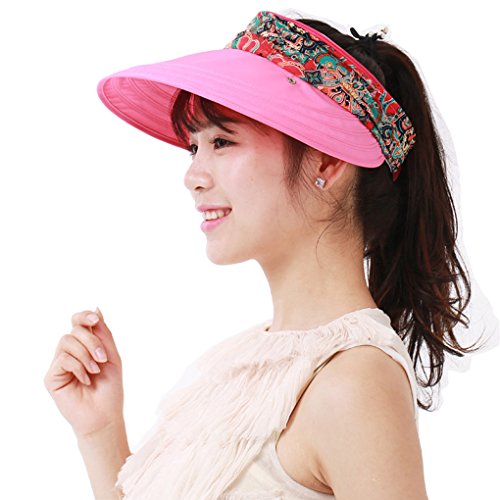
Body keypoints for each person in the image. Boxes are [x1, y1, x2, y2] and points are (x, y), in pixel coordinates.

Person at [43, 8, 499, 500]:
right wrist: (100, 432)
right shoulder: (240, 364)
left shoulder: (353, 381)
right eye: (193, 147)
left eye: (222, 141)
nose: (193, 176)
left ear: (327, 159)